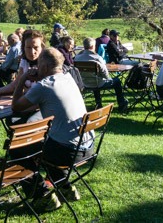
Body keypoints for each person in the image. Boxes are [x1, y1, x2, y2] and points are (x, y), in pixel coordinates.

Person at [12, 47, 92, 211]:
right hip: (87, 148)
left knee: (18, 150)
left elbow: (16, 107)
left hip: (68, 152)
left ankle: (43, 196)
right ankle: (64, 186)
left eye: (39, 64)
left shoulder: (43, 86)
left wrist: (23, 77)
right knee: (47, 142)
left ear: (45, 67)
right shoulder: (68, 78)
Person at [74, 37, 128, 111]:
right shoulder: (97, 58)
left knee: (95, 78)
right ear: (93, 46)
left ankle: (98, 103)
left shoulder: (77, 58)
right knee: (117, 81)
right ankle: (122, 103)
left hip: (84, 83)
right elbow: (105, 75)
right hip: (98, 83)